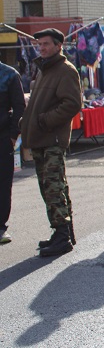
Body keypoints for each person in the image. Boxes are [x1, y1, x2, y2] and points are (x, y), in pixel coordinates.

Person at [20, 28, 82, 257]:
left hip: (52, 139)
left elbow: (72, 103)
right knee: (51, 187)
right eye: (39, 45)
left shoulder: (65, 70)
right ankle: (62, 232)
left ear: (58, 46)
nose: (42, 48)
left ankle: (62, 235)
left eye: (46, 44)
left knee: (54, 187)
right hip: (40, 138)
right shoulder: (44, 70)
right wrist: (26, 123)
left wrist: (44, 121)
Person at [0, 61, 26, 244]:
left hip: (2, 138)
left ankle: (1, 226)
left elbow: (19, 107)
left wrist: (12, 136)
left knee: (2, 182)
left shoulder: (9, 74)